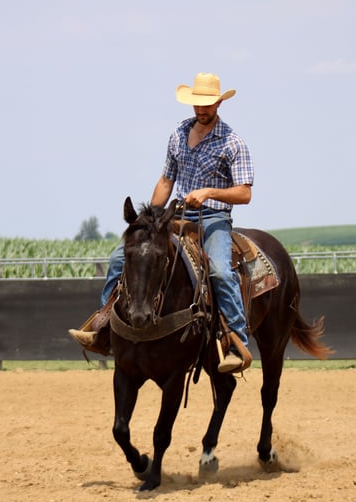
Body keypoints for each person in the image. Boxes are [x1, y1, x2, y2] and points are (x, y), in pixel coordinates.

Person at [69, 72, 254, 373]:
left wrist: (208, 193)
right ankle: (104, 326)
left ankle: (235, 341)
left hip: (214, 218)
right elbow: (167, 179)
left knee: (220, 271)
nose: (201, 110)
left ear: (219, 103)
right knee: (121, 257)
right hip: (175, 215)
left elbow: (244, 193)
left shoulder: (233, 142)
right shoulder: (178, 134)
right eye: (197, 104)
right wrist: (150, 220)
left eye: (207, 104)